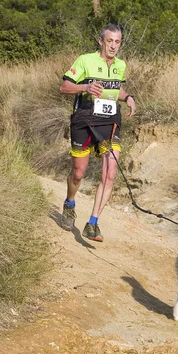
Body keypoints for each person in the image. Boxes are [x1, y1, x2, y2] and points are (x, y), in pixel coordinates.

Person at [59, 24, 135, 242]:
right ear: (101, 41)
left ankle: (92, 223)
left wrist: (128, 97)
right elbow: (64, 87)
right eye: (109, 41)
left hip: (109, 122)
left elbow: (116, 88)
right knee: (78, 172)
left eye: (117, 42)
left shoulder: (120, 65)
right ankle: (69, 203)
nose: (113, 46)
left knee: (110, 171)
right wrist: (85, 88)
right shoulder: (85, 60)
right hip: (84, 119)